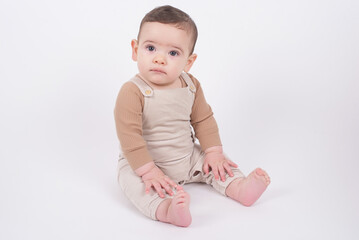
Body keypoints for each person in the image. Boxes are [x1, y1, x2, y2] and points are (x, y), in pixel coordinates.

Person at [114, 5, 270, 227]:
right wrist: (148, 170)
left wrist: (214, 152)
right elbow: (130, 136)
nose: (160, 59)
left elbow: (203, 119)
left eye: (173, 53)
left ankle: (239, 187)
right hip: (142, 163)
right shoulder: (133, 91)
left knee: (219, 164)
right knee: (134, 183)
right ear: (135, 49)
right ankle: (167, 210)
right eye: (150, 48)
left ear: (188, 61)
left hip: (187, 158)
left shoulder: (191, 85)